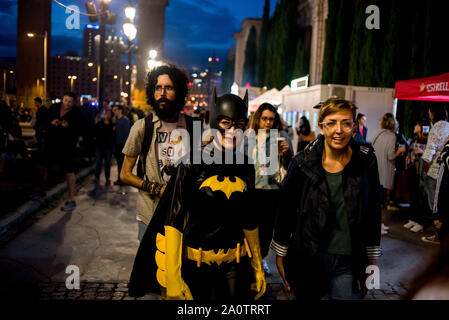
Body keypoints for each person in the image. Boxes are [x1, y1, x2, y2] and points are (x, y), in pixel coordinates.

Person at [128, 91, 266, 301]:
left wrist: (257, 266)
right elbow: (173, 220)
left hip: (234, 264)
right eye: (226, 122)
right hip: (195, 265)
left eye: (239, 124)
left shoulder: (246, 166)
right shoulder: (192, 164)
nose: (233, 130)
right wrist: (173, 278)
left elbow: (249, 218)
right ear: (214, 122)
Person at [271, 97, 382, 300]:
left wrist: (372, 261)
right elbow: (286, 209)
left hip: (349, 262)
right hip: (308, 259)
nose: (338, 130)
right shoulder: (302, 163)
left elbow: (373, 211)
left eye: (345, 123)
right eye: (331, 123)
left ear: (354, 127)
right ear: (322, 127)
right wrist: (280, 253)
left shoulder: (366, 161)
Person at [120, 64, 200, 242]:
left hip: (184, 216)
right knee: (149, 268)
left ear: (179, 91)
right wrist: (155, 188)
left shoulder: (194, 127)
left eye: (168, 87)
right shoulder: (142, 127)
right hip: (150, 215)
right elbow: (125, 174)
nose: (162, 93)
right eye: (158, 88)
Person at [248, 103, 292, 276]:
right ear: (258, 118)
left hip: (273, 190)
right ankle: (252, 259)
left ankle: (261, 259)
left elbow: (291, 166)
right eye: (264, 118)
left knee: (267, 229)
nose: (267, 122)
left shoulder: (281, 136)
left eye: (271, 119)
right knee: (251, 227)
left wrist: (287, 154)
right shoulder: (249, 137)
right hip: (253, 190)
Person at [36, 92, 83, 211]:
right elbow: (45, 121)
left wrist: (69, 126)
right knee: (41, 164)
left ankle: (71, 200)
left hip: (67, 146)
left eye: (70, 101)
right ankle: (40, 190)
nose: (67, 103)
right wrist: (52, 123)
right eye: (66, 100)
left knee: (69, 170)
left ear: (74, 102)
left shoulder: (76, 113)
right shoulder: (54, 107)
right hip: (51, 142)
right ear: (63, 99)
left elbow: (79, 129)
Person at [372, 113, 406, 234]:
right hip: (385, 171)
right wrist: (400, 151)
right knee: (380, 201)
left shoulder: (377, 133)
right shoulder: (392, 136)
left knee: (375, 200)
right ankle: (377, 226)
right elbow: (390, 156)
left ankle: (377, 224)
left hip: (375, 170)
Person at [421, 105, 449, 245]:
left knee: (435, 206)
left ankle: (440, 236)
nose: (429, 114)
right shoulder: (448, 126)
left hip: (434, 172)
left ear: (433, 113)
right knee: (443, 205)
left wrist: (424, 171)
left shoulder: (436, 128)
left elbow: (429, 152)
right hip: (445, 172)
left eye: (429, 112)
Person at [403, 120, 431, 233]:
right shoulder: (414, 139)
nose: (414, 126)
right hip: (412, 170)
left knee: (421, 197)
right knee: (413, 195)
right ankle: (413, 219)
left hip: (422, 171)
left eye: (417, 124)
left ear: (422, 127)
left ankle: (421, 222)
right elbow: (410, 152)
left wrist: (422, 152)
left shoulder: (428, 139)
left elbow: (430, 155)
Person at [94, 109, 115, 185]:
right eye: (106, 113)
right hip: (99, 145)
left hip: (108, 147)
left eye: (109, 113)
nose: (107, 115)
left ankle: (107, 178)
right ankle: (96, 178)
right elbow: (95, 132)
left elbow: (113, 136)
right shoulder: (99, 123)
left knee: (108, 163)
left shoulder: (113, 125)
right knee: (98, 161)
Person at [112, 105, 130, 185]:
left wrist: (126, 147)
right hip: (116, 144)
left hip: (122, 145)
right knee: (119, 163)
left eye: (115, 110)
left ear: (120, 110)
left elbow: (126, 134)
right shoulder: (116, 120)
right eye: (113, 110)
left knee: (122, 164)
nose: (114, 112)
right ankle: (120, 179)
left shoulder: (125, 120)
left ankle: (123, 180)